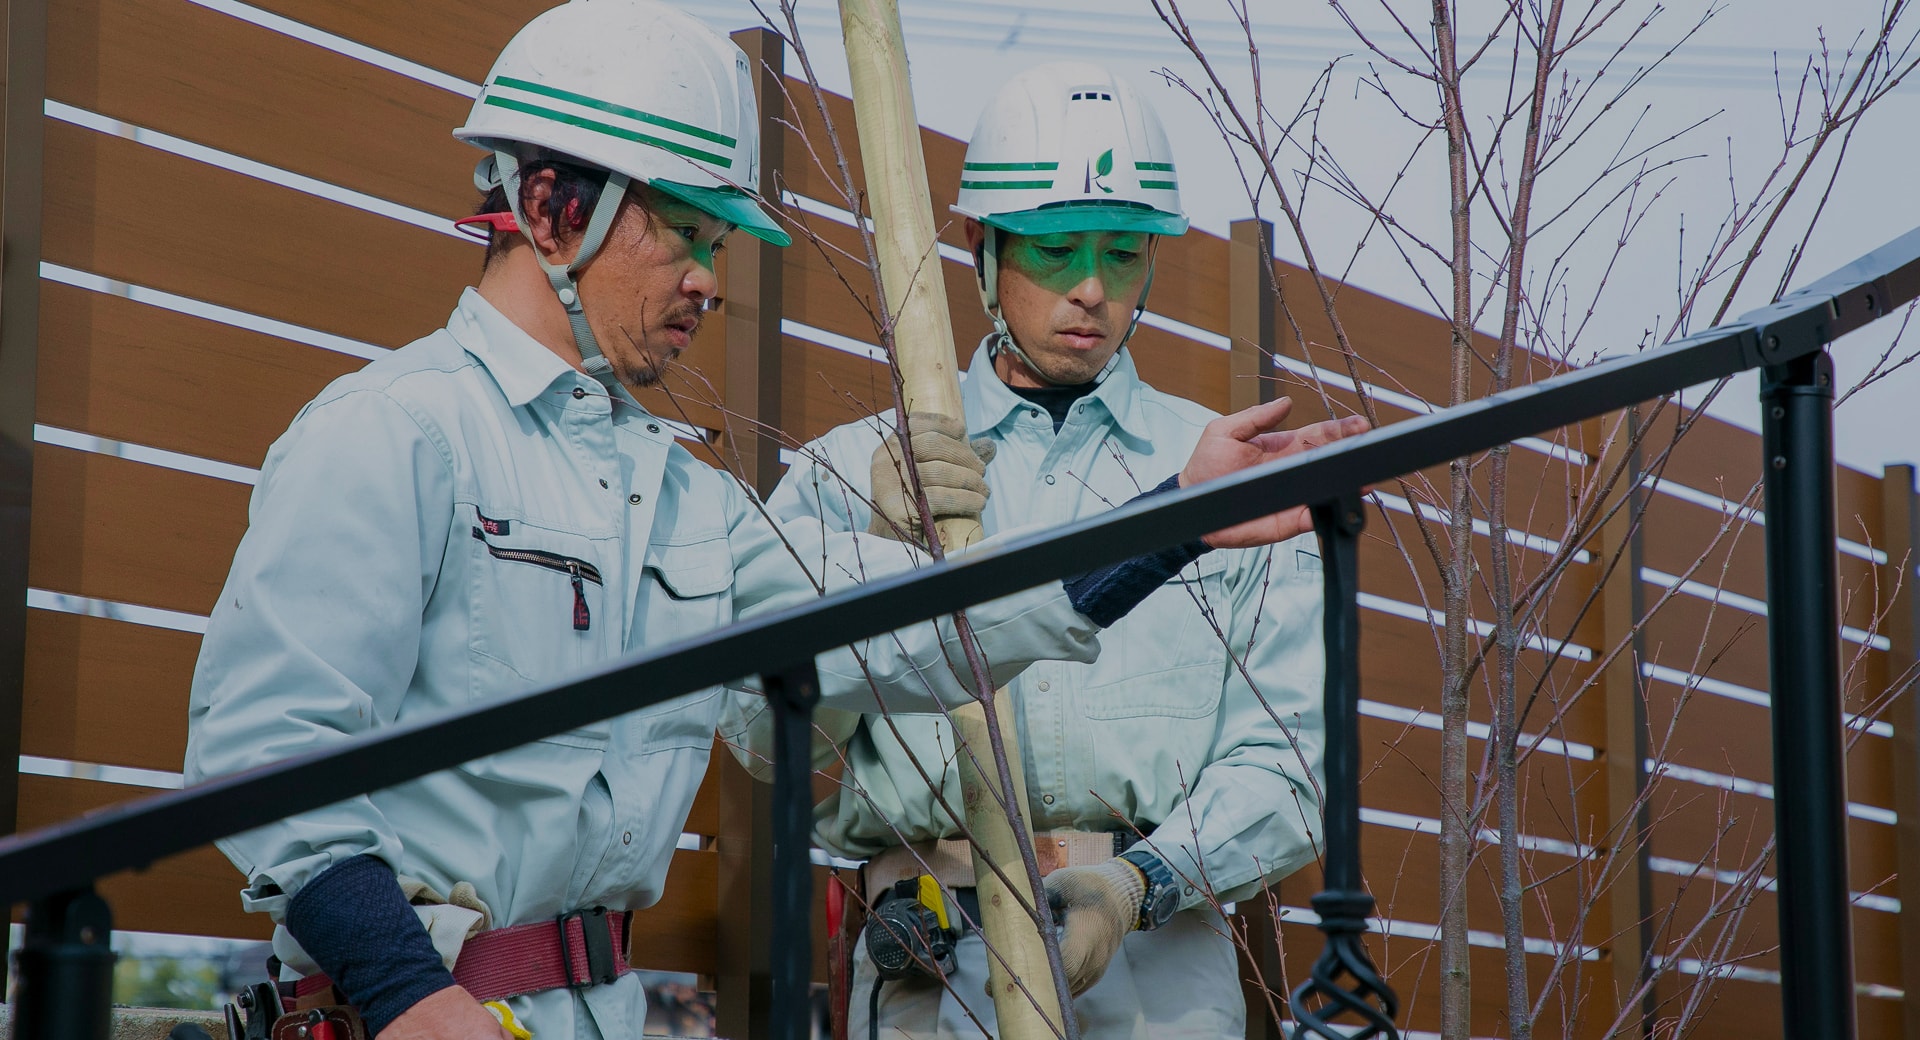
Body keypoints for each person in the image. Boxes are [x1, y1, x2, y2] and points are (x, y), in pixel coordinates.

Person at [184, 9, 1363, 1040]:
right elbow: (267, 747)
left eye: (716, 243)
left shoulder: (678, 492)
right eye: (686, 232)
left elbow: (910, 630)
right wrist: (402, 991)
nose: (711, 277)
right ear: (550, 207)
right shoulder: (396, 432)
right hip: (419, 1006)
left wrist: (1170, 523)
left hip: (599, 1002)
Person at [726, 63, 1342, 1040]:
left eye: (1124, 254)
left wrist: (1133, 884)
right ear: (983, 246)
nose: (1092, 289)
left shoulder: (1218, 481)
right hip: (928, 966)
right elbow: (760, 736)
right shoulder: (854, 477)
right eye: (1055, 251)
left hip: (1163, 964)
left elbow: (1295, 766)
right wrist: (875, 552)